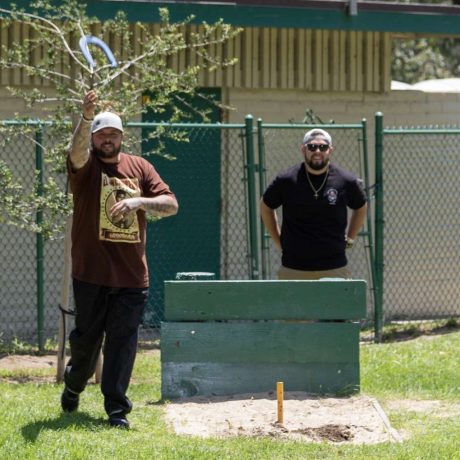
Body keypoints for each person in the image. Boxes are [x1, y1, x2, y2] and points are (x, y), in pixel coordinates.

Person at [61, 89, 179, 429]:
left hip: (131, 277)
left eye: (113, 134)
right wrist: (86, 117)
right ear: (95, 138)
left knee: (123, 342)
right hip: (91, 272)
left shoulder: (140, 167)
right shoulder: (85, 167)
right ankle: (74, 384)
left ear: (122, 137)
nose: (107, 140)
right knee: (87, 340)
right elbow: (76, 151)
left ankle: (116, 409)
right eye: (101, 134)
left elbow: (171, 204)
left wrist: (139, 202)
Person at [260, 128, 367, 280]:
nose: (317, 151)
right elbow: (265, 206)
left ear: (330, 150)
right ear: (303, 149)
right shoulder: (287, 180)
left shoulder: (346, 180)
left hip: (334, 268)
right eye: (312, 146)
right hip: (293, 268)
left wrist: (350, 239)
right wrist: (279, 241)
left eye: (322, 147)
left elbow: (361, 207)